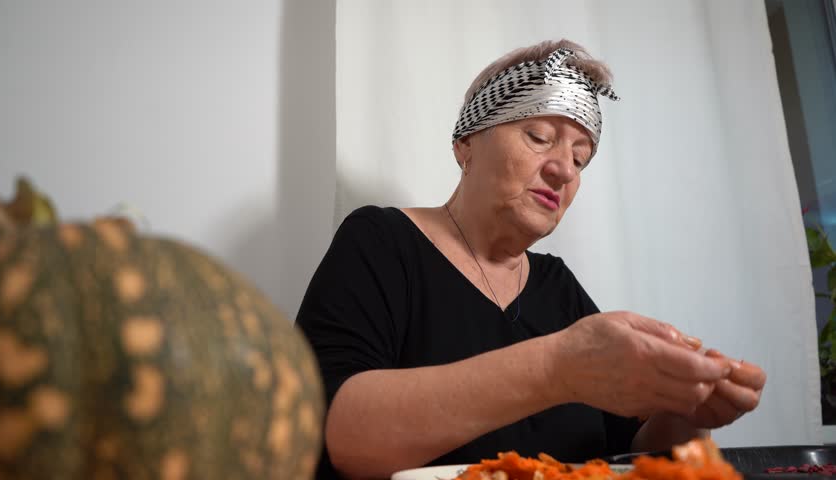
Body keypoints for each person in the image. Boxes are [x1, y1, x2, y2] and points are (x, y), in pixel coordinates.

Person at [295, 39, 766, 480]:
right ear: (466, 143)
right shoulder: (382, 242)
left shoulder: (558, 287)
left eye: (580, 159)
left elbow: (629, 451)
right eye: (539, 137)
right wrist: (557, 367)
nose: (563, 170)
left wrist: (686, 414)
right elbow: (335, 434)